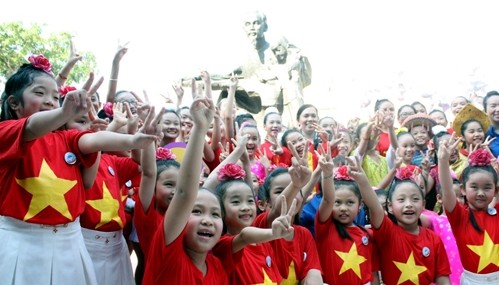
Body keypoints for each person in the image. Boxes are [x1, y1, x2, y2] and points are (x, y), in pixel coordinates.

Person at [0, 54, 163, 285]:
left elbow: (95, 141)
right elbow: (32, 126)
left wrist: (134, 140)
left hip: (70, 243)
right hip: (21, 245)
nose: (49, 101)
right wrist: (64, 113)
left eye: (56, 97)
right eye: (39, 93)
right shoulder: (6, 132)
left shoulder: (67, 139)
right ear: (14, 104)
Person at [141, 89, 229, 284]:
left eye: (215, 214)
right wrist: (199, 128)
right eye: (196, 211)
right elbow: (184, 193)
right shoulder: (166, 253)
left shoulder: (218, 268)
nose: (207, 220)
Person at [358, 160, 451, 284]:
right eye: (401, 199)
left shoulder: (434, 239)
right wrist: (361, 179)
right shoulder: (387, 232)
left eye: (415, 199)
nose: (408, 205)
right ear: (390, 206)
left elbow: (443, 278)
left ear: (423, 204)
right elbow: (374, 207)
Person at [234, 10, 312, 127]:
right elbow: (234, 73)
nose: (252, 27)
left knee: (291, 86)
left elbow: (294, 65)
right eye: (248, 24)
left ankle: (299, 125)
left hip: (277, 100)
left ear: (265, 27)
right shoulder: (244, 55)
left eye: (256, 23)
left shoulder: (276, 49)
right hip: (254, 99)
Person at [314, 151, 379, 284]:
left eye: (350, 202)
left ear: (360, 205)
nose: (343, 208)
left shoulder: (368, 234)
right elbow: (327, 200)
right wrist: (327, 175)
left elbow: (373, 273)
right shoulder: (324, 227)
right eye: (337, 202)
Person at [438, 143, 499, 284]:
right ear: (463, 189)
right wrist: (443, 161)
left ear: (495, 191)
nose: (481, 193)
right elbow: (447, 191)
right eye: (474, 187)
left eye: (487, 187)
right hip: (472, 281)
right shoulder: (459, 217)